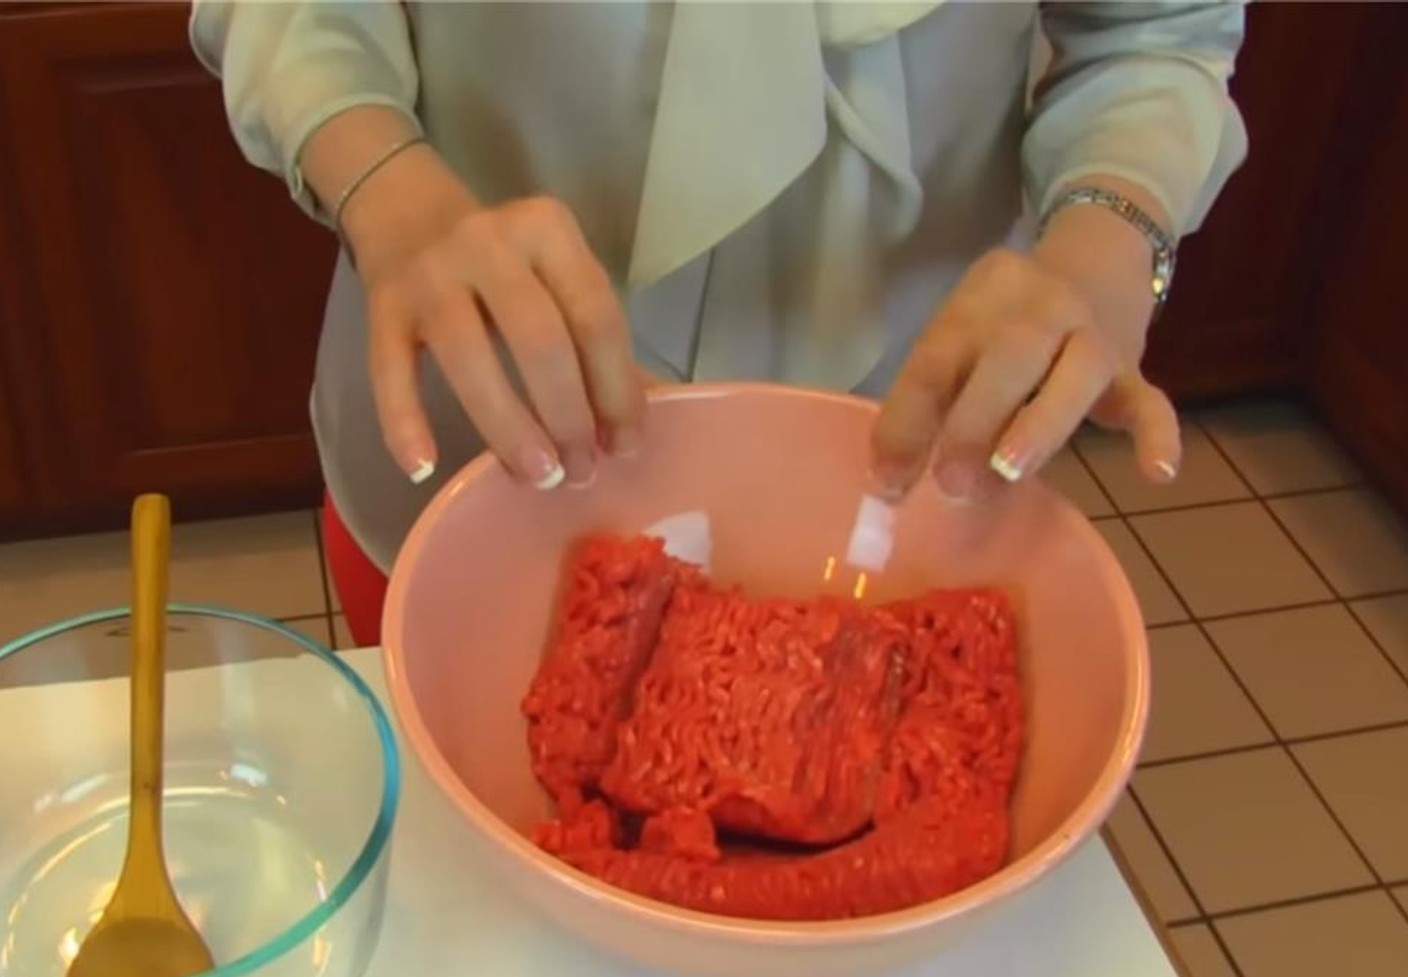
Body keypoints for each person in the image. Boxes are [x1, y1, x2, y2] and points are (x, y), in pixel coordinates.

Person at [190, 1, 1248, 647]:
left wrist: (1112, 236)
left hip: (912, 461)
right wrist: (384, 182)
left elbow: (1152, 28)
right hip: (485, 427)